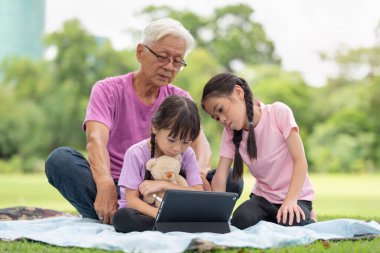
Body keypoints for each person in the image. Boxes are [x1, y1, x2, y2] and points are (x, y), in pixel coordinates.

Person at [45, 18, 243, 225]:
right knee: (60, 161)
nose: (169, 67)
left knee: (229, 179)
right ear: (140, 52)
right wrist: (105, 185)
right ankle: (126, 212)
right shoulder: (107, 90)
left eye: (177, 61)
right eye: (163, 57)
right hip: (119, 185)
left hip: (170, 184)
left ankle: (136, 219)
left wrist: (200, 173)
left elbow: (199, 143)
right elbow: (96, 140)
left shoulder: (180, 98)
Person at [201, 72, 316, 229]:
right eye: (216, 117)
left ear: (238, 92)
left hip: (295, 196)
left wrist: (290, 200)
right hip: (263, 199)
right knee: (241, 220)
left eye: (220, 109)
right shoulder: (229, 133)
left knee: (290, 223)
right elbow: (221, 175)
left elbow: (300, 161)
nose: (222, 119)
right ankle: (275, 219)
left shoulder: (278, 113)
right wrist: (217, 215)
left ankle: (309, 216)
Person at [112, 95, 203, 232]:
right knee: (122, 217)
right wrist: (159, 215)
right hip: (144, 213)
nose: (177, 148)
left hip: (173, 212)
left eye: (185, 142)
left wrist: (165, 185)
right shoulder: (135, 153)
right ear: (155, 127)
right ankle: (173, 226)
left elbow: (198, 193)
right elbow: (131, 201)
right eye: (171, 139)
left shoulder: (188, 153)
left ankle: (168, 226)